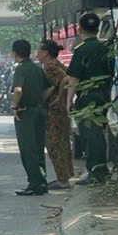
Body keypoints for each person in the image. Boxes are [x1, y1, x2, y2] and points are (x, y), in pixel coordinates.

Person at [66, 12, 114, 185]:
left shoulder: (81, 50)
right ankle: (99, 170)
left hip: (87, 97)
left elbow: (74, 78)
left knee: (90, 135)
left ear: (80, 28)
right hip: (105, 95)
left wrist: (68, 101)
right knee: (99, 133)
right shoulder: (106, 48)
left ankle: (96, 172)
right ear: (98, 28)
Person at [9, 39, 53, 195]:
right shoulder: (36, 68)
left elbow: (18, 90)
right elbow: (50, 86)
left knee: (28, 149)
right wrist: (40, 99)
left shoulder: (21, 69)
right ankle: (41, 183)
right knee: (38, 147)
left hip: (25, 112)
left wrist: (15, 107)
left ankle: (34, 184)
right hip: (39, 111)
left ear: (15, 54)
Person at [37, 39, 75, 189]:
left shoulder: (51, 67)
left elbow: (65, 80)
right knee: (63, 142)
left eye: (39, 50)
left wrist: (57, 96)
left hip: (53, 110)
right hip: (60, 110)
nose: (37, 53)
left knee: (54, 143)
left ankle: (62, 178)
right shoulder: (55, 64)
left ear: (46, 52)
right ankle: (66, 175)